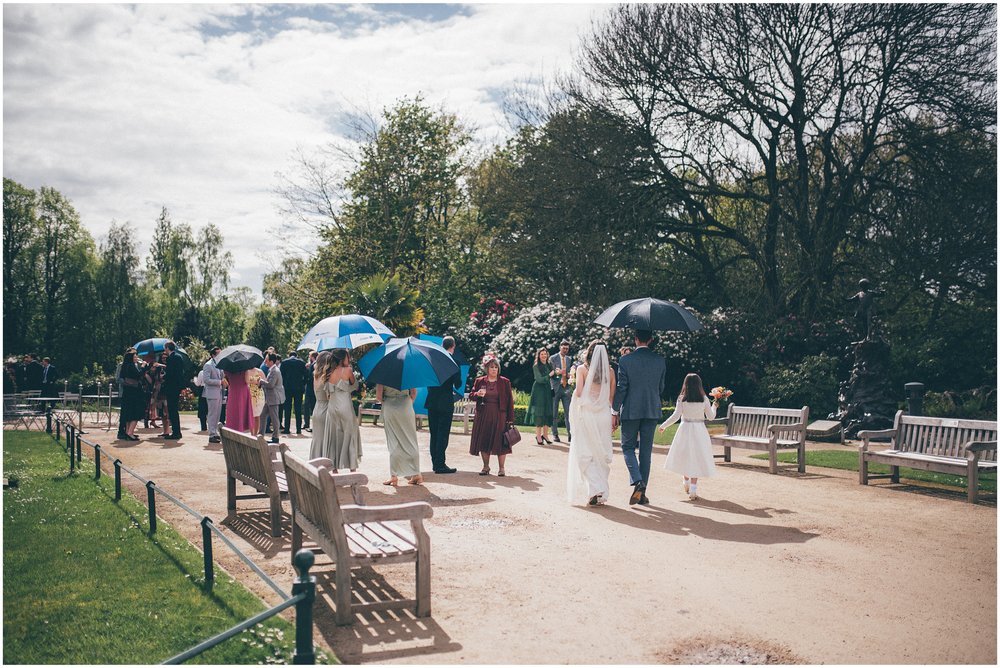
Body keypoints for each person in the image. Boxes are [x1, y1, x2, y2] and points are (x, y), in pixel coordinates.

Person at [612, 329, 666, 506]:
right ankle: (642, 494)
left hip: (631, 410)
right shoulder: (659, 360)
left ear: (635, 339)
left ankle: (638, 481)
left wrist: (614, 410)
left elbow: (622, 388)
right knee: (645, 452)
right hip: (651, 409)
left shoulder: (625, 360)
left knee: (627, 447)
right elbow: (661, 388)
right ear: (650, 340)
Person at [567, 341, 616, 506]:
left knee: (585, 451)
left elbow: (580, 393)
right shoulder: (610, 372)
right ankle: (597, 491)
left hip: (588, 415)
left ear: (589, 353)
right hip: (603, 415)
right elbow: (611, 398)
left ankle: (596, 488)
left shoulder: (582, 369)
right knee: (600, 453)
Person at [658, 373, 718, 501]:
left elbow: (675, 416)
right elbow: (711, 417)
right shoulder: (704, 399)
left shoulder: (681, 399)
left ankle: (686, 481)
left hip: (685, 429)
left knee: (685, 455)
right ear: (699, 384)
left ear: (686, 384)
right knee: (696, 457)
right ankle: (694, 489)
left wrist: (663, 425)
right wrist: (715, 406)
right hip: (699, 430)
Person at [469, 354, 515, 476]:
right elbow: (471, 395)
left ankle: (501, 468)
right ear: (487, 369)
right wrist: (477, 394)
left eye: (496, 367)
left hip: (500, 416)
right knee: (484, 440)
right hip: (483, 415)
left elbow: (510, 400)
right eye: (491, 367)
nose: (494, 369)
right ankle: (485, 467)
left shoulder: (505, 382)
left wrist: (510, 419)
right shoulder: (480, 381)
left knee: (501, 441)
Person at [318, 348, 362, 472]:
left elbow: (326, 392)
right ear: (343, 358)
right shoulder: (348, 370)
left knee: (333, 436)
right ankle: (352, 466)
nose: (349, 359)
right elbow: (354, 385)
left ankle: (334, 468)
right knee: (349, 433)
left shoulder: (327, 371)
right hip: (345, 405)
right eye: (348, 357)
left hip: (332, 406)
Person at [424, 335, 461, 474]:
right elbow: (458, 383)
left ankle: (435, 463)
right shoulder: (454, 362)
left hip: (432, 400)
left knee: (434, 433)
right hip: (445, 401)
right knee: (443, 434)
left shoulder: (432, 360)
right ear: (453, 346)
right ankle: (440, 464)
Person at [377, 383, 423, 486]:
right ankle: (416, 474)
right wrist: (408, 402)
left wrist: (388, 401)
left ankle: (394, 476)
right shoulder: (408, 371)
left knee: (393, 440)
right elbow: (414, 393)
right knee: (410, 440)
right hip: (406, 406)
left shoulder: (383, 374)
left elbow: (379, 397)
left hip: (390, 408)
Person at [116, 348, 147, 441]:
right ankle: (130, 433)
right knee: (136, 412)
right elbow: (139, 375)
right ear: (131, 357)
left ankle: (127, 432)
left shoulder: (125, 365)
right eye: (135, 355)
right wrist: (143, 366)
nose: (137, 357)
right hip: (134, 392)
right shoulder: (131, 365)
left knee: (128, 413)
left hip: (127, 392)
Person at [526, 347, 554, 445]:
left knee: (547, 412)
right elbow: (539, 379)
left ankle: (545, 435)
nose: (544, 356)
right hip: (539, 391)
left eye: (545, 354)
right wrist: (550, 375)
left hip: (547, 390)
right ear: (539, 356)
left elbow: (553, 376)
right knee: (539, 412)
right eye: (542, 354)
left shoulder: (549, 364)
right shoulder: (536, 366)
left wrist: (557, 373)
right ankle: (538, 436)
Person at [308, 351, 333, 459]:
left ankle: (315, 461)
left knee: (317, 439)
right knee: (326, 440)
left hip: (317, 408)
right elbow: (330, 396)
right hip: (326, 410)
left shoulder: (316, 375)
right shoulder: (326, 377)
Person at [548, 341, 573, 442]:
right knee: (554, 413)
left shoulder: (569, 359)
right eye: (564, 348)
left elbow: (570, 372)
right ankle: (555, 434)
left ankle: (570, 434)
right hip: (555, 388)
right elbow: (550, 373)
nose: (565, 350)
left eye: (567, 348)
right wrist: (557, 373)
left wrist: (569, 375)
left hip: (566, 388)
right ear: (560, 347)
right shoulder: (552, 358)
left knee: (569, 413)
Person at [259, 353, 285, 444]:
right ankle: (260, 435)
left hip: (273, 398)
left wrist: (261, 381)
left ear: (271, 361)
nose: (265, 361)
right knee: (262, 415)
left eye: (267, 360)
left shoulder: (274, 370)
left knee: (274, 419)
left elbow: (271, 385)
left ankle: (275, 437)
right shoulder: (272, 370)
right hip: (270, 398)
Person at [162, 341, 185, 440]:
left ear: (167, 348)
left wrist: (164, 376)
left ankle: (176, 432)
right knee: (173, 410)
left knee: (172, 410)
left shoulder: (172, 358)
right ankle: (176, 431)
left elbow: (171, 373)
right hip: (176, 387)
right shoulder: (178, 357)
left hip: (172, 387)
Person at [280, 350, 307, 434]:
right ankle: (298, 429)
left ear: (289, 355)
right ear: (296, 355)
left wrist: (283, 384)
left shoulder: (284, 363)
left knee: (287, 408)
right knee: (298, 408)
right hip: (298, 388)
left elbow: (281, 375)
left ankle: (287, 428)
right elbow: (306, 375)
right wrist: (303, 383)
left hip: (287, 388)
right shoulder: (301, 363)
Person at [202, 346, 225, 443]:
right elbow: (206, 380)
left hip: (218, 392)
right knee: (212, 414)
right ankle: (211, 434)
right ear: (213, 355)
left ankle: (215, 432)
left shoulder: (219, 364)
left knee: (217, 414)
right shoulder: (208, 365)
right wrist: (219, 382)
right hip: (212, 392)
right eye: (218, 353)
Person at [145, 351, 170, 436]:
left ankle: (167, 431)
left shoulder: (168, 366)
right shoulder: (158, 368)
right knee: (161, 411)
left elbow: (170, 370)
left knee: (167, 411)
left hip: (166, 390)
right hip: (157, 391)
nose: (164, 359)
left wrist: (161, 365)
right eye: (163, 358)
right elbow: (151, 376)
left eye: (166, 358)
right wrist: (152, 370)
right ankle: (165, 430)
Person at [224, 365, 254, 433]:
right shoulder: (245, 368)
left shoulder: (227, 368)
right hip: (243, 391)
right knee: (242, 410)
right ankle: (241, 427)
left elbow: (226, 380)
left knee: (233, 411)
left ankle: (232, 427)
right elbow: (247, 381)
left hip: (233, 391)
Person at [246, 366, 266, 436]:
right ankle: (252, 433)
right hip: (249, 394)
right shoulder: (246, 371)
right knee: (250, 415)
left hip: (258, 395)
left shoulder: (259, 371)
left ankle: (255, 434)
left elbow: (265, 382)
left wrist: (259, 382)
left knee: (257, 415)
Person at [303, 351, 318, 433]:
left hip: (311, 389)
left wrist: (307, 369)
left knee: (310, 406)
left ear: (312, 357)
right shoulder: (313, 364)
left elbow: (310, 376)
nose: (309, 357)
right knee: (310, 406)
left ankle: (309, 424)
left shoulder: (314, 365)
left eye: (309, 356)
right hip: (311, 389)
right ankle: (308, 424)